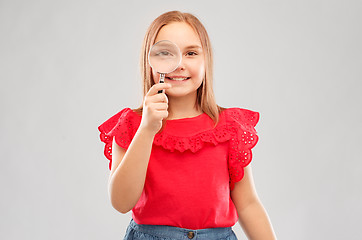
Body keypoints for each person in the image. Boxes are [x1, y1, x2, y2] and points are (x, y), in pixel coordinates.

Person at [98, 10, 276, 240]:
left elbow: (248, 204)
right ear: (149, 61)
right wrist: (147, 129)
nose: (179, 64)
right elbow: (121, 202)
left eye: (191, 53)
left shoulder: (229, 127)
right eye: (166, 53)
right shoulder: (131, 125)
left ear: (206, 60)